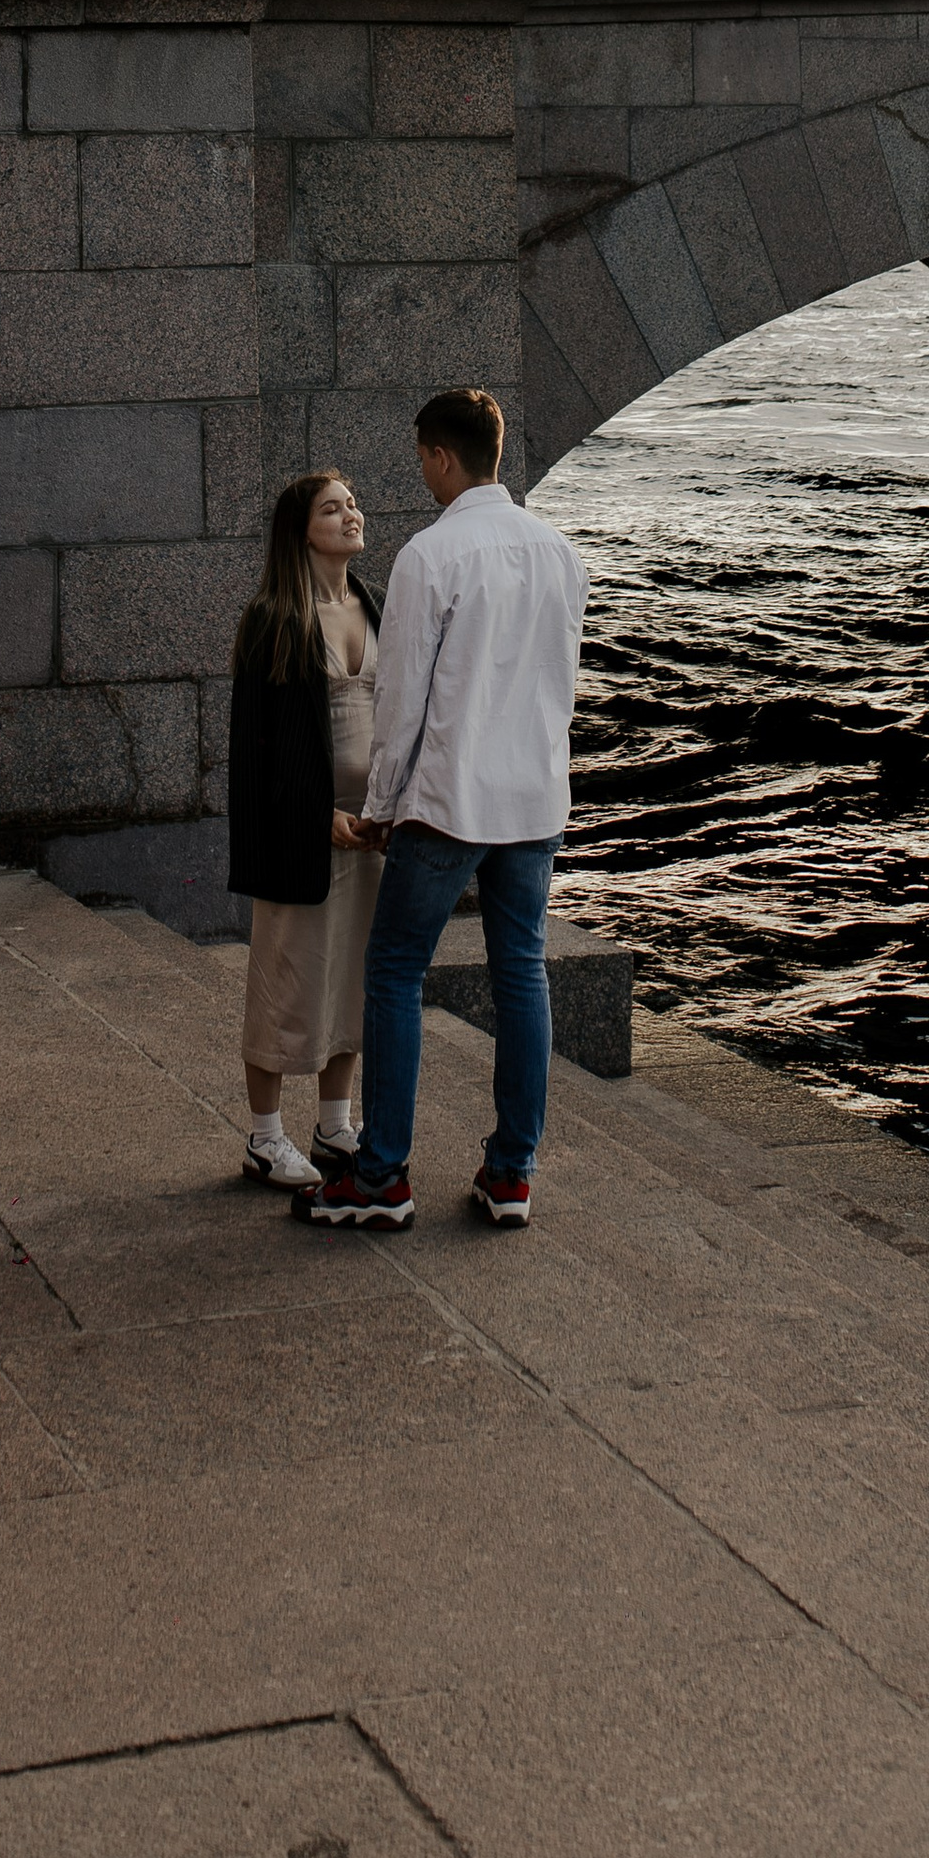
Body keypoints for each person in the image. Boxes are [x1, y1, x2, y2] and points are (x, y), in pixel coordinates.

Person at [300, 387, 589, 1235]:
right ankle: (511, 1175)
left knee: (393, 972)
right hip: (534, 801)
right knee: (521, 973)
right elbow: (558, 689)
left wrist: (383, 805)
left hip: (448, 803)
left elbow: (402, 700)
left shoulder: (432, 554)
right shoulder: (559, 553)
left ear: (439, 456)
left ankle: (383, 1175)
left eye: (421, 457)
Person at [226, 468, 385, 1191]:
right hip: (304, 835)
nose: (350, 515)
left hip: (371, 828)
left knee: (351, 981)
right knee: (286, 985)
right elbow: (256, 747)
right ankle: (264, 1137)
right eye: (332, 509)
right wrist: (312, 815)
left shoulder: (373, 603)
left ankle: (335, 1123)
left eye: (351, 504)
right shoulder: (275, 617)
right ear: (302, 530)